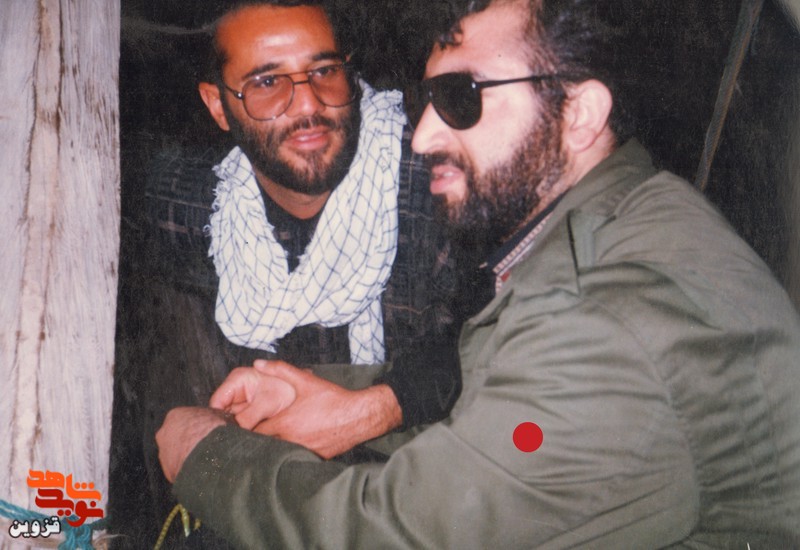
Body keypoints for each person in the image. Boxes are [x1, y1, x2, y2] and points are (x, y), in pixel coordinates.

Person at [156, 0, 800, 547]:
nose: (421, 137)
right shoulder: (613, 221)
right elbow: (506, 411)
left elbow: (400, 533)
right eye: (430, 99)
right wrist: (346, 396)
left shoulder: (605, 319)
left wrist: (209, 458)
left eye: (461, 99)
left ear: (579, 114)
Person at [145, 0, 466, 463]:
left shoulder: (437, 185)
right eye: (267, 82)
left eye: (324, 71)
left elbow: (512, 343)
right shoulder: (202, 211)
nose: (310, 103)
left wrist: (377, 409)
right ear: (218, 105)